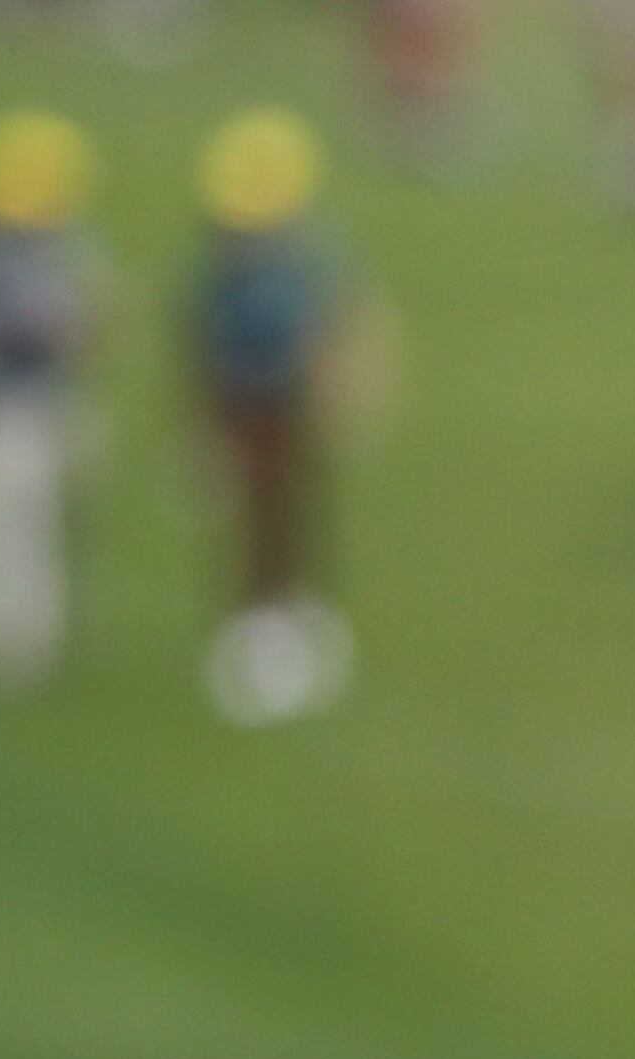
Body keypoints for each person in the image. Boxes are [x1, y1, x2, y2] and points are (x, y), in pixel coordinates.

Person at [188, 109, 355, 726]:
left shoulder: (308, 255)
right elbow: (201, 344)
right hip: (244, 403)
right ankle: (257, 628)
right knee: (252, 520)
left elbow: (335, 320)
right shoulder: (221, 264)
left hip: (288, 403)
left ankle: (291, 616)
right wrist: (205, 425)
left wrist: (335, 387)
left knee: (292, 513)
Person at [0, 110, 103, 695]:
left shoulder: (59, 249)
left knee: (44, 532)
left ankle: (34, 645)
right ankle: (6, 653)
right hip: (3, 412)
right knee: (4, 534)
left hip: (46, 410)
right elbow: (8, 330)